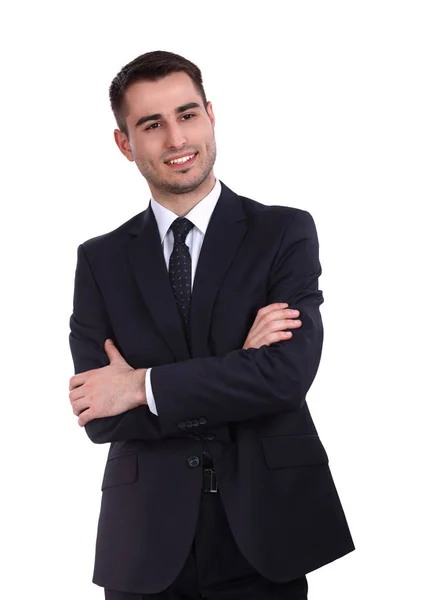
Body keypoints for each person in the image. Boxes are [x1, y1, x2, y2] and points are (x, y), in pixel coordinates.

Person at [68, 50, 355, 600]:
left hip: (267, 532)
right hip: (146, 542)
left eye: (187, 114)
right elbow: (98, 413)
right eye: (152, 125)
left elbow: (285, 379)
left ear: (211, 115)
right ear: (125, 144)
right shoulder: (99, 260)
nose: (176, 139)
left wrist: (140, 387)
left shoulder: (283, 233)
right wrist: (237, 368)